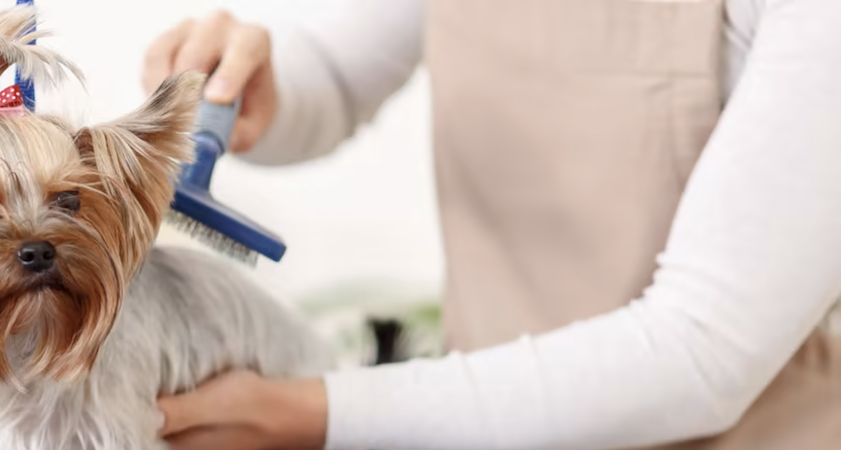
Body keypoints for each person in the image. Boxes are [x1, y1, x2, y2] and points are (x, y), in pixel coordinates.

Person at [140, 0, 841, 449]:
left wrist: (315, 414)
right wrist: (255, 80)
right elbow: (340, 75)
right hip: (472, 420)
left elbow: (700, 356)